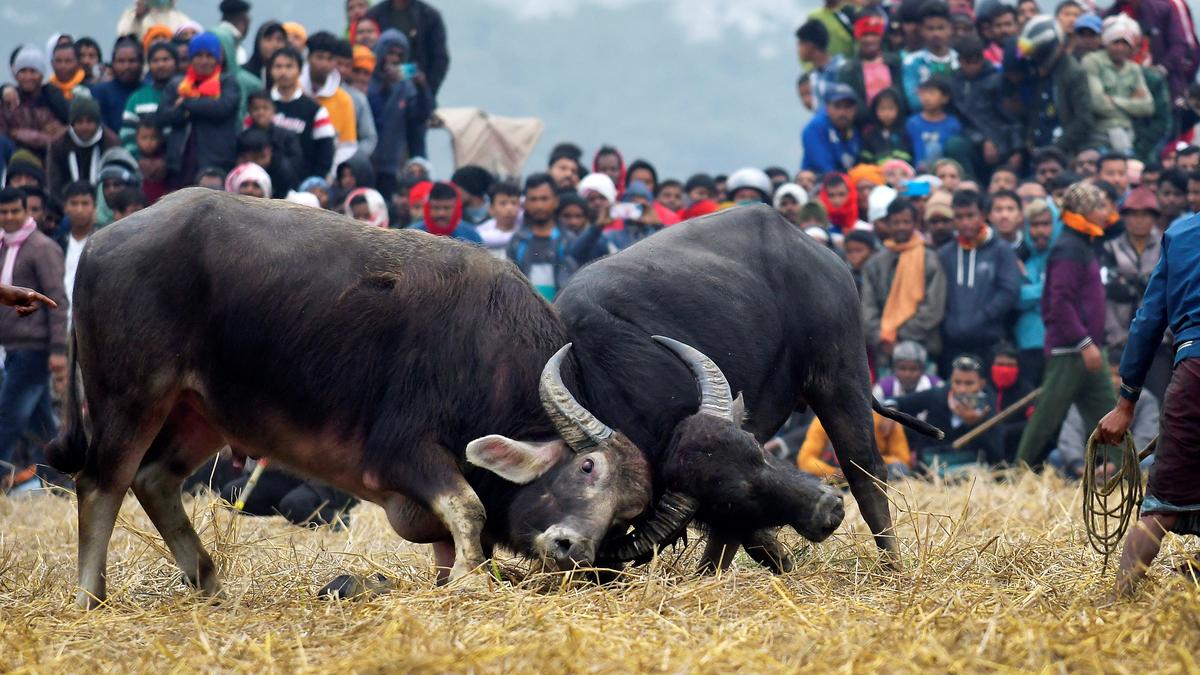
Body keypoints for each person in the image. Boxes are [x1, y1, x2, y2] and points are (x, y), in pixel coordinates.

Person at [1097, 195, 1200, 597]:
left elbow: (1148, 320)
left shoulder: (1181, 233)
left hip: (1194, 370)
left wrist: (1126, 402)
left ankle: (1118, 600)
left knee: (1161, 507)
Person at [1017, 182, 1118, 467]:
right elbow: (1061, 302)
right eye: (1099, 205)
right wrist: (1084, 342)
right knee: (1045, 419)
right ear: (1084, 212)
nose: (1105, 211)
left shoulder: (1082, 243)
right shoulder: (1069, 248)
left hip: (1088, 351)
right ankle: (1017, 471)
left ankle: (1125, 472)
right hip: (1071, 351)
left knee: (1111, 415)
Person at [0, 187, 67, 490]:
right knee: (43, 424)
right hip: (11, 346)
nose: (9, 217)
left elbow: (57, 301)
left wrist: (57, 349)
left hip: (34, 349)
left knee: (8, 418)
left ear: (28, 211)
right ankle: (64, 478)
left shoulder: (42, 248)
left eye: (15, 210)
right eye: (4, 212)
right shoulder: (2, 246)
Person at [938, 189, 1021, 374]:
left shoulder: (1001, 250)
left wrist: (982, 317)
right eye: (959, 216)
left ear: (983, 215)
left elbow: (1009, 291)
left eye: (970, 215)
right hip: (952, 342)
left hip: (989, 340)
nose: (965, 222)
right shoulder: (945, 253)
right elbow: (939, 296)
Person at [862, 197, 948, 363]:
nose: (901, 226)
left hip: (923, 348)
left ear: (915, 224)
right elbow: (867, 306)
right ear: (887, 224)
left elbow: (933, 307)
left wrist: (899, 335)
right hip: (884, 349)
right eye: (896, 222)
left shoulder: (930, 259)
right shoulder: (875, 263)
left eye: (906, 222)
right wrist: (881, 336)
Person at [893, 354, 1005, 473]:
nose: (962, 389)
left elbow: (997, 454)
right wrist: (890, 412)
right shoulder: (938, 395)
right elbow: (899, 402)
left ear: (981, 384)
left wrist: (975, 424)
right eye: (957, 382)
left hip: (971, 470)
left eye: (969, 383)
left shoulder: (988, 407)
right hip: (932, 466)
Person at [1056, 349, 1158, 478]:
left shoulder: (1145, 399)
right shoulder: (1086, 397)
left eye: (1118, 375)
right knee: (1056, 457)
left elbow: (1144, 438)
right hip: (1089, 461)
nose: (1114, 380)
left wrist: (1118, 464)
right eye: (1108, 375)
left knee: (1149, 462)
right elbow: (1071, 433)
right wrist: (1079, 465)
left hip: (1125, 463)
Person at [157, 32, 240, 186]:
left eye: (209, 56)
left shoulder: (227, 83)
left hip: (217, 162)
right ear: (191, 58)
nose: (204, 61)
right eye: (198, 55)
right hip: (181, 163)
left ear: (218, 58)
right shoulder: (177, 85)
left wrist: (187, 103)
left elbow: (222, 108)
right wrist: (202, 105)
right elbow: (164, 116)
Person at [368, 30, 433, 203]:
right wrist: (386, 87)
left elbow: (420, 116)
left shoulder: (406, 87)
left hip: (392, 164)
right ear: (381, 52)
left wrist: (422, 88)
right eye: (391, 53)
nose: (395, 59)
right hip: (368, 161)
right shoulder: (368, 79)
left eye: (400, 55)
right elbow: (374, 114)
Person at [1018, 15, 1096, 157]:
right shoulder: (1034, 70)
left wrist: (1055, 148)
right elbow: (1035, 109)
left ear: (1058, 47)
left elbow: (1084, 120)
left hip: (1064, 152)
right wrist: (1030, 139)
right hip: (1036, 150)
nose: (1036, 60)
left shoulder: (1073, 73)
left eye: (1040, 55)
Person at [947, 35, 1020, 181]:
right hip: (972, 141)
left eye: (976, 62)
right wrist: (982, 140)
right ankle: (969, 183)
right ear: (960, 61)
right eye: (967, 63)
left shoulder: (998, 80)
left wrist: (1013, 148)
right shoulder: (954, 83)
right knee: (954, 145)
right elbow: (961, 119)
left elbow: (1011, 118)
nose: (972, 67)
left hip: (1002, 140)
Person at [1081, 15, 1153, 155]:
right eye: (1116, 42)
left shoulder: (1134, 69)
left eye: (1125, 43)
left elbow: (1147, 107)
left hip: (1127, 134)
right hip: (1099, 134)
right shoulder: (1092, 61)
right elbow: (1098, 103)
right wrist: (1131, 104)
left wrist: (1113, 100)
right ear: (1107, 42)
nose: (1120, 48)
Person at [267, 47, 335, 182]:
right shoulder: (260, 105)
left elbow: (326, 151)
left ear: (300, 70)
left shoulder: (315, 110)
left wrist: (314, 182)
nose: (283, 72)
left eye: (289, 66)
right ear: (270, 70)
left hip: (303, 186)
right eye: (278, 66)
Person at [506, 174, 574, 301]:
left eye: (544, 199)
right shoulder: (517, 242)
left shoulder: (568, 241)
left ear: (556, 201)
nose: (539, 205)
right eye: (533, 199)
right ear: (525, 203)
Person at [364, 0, 451, 100]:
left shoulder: (429, 16)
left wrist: (426, 93)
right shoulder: (374, 14)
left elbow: (440, 60)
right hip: (377, 96)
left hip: (415, 97)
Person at [1014, 198, 1058, 386]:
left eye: (1046, 224)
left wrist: (1032, 291)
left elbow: (1061, 295)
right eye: (1034, 225)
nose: (1040, 230)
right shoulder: (1020, 258)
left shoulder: (1064, 256)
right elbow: (1016, 298)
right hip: (1026, 343)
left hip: (1058, 343)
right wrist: (1047, 289)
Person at [302, 32, 358, 171]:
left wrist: (331, 172)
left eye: (330, 59)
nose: (324, 64)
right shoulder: (294, 88)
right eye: (319, 57)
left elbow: (347, 146)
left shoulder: (344, 100)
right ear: (309, 58)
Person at [798, 412, 912, 480]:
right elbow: (805, 460)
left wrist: (870, 464)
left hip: (872, 474)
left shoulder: (884, 420)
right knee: (805, 476)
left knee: (900, 469)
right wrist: (835, 473)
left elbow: (903, 461)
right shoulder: (822, 421)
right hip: (837, 476)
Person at [46, 97, 119, 198]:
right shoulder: (59, 144)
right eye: (79, 122)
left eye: (89, 122)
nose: (85, 127)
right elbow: (54, 185)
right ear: (72, 124)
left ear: (97, 123)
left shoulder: (111, 142)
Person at [0, 47, 66, 153]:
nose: (28, 77)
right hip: (13, 160)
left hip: (49, 160)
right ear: (16, 74)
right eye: (23, 71)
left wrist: (19, 134)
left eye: (33, 71)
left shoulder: (52, 100)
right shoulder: (8, 101)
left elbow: (58, 136)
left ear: (41, 75)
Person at [120, 41, 178, 153]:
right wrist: (140, 161)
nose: (160, 64)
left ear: (175, 62)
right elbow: (126, 135)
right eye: (155, 61)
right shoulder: (137, 98)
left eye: (165, 59)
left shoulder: (186, 94)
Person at [901, 0, 959, 111]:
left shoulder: (958, 60)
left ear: (950, 29)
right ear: (921, 30)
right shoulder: (911, 62)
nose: (936, 34)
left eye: (941, 28)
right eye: (930, 28)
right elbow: (913, 100)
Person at [838, 12, 900, 113]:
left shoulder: (895, 62)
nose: (870, 39)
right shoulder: (848, 70)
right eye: (865, 35)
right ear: (858, 37)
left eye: (874, 34)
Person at [332, 38, 378, 161]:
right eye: (339, 64)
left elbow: (369, 138)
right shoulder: (310, 91)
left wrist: (350, 159)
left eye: (347, 66)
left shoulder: (357, 99)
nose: (342, 70)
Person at [801, 83, 862, 174]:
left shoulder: (855, 128)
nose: (843, 112)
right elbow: (825, 168)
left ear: (855, 109)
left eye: (848, 106)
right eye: (837, 106)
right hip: (819, 182)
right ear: (827, 107)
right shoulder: (815, 128)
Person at [905, 75, 962, 171]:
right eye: (923, 93)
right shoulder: (912, 123)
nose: (926, 98)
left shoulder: (953, 124)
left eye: (931, 93)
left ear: (945, 98)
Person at [90, 37, 145, 134]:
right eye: (121, 61)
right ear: (113, 63)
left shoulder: (149, 91)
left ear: (141, 63)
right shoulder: (100, 92)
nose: (127, 66)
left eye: (132, 61)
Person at [59, 180, 95, 309]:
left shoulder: (103, 244)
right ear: (65, 207)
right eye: (74, 203)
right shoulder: (56, 244)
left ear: (94, 207)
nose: (79, 210)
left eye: (85, 203)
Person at [408, 181, 481, 243]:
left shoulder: (472, 237)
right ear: (427, 208)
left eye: (447, 208)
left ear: (456, 208)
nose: (441, 213)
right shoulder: (412, 237)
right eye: (436, 208)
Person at [796, 20, 846, 106]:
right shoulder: (813, 77)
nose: (798, 50)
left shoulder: (843, 68)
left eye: (800, 44)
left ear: (810, 45)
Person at [859, 87, 913, 165]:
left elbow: (910, 156)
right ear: (875, 110)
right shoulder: (870, 134)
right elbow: (866, 160)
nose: (886, 113)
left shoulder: (905, 131)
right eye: (882, 108)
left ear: (899, 109)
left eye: (891, 108)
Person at [873, 341, 943, 400]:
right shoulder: (883, 388)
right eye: (902, 368)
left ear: (922, 369)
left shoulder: (937, 386)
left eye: (913, 369)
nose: (907, 374)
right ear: (894, 368)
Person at [476, 180, 520, 258]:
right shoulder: (479, 233)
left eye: (514, 203)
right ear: (491, 209)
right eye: (503, 203)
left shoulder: (527, 230)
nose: (509, 208)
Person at [241, 20, 286, 87]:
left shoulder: (286, 76)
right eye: (269, 39)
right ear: (258, 42)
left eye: (279, 40)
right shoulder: (243, 74)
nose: (274, 45)